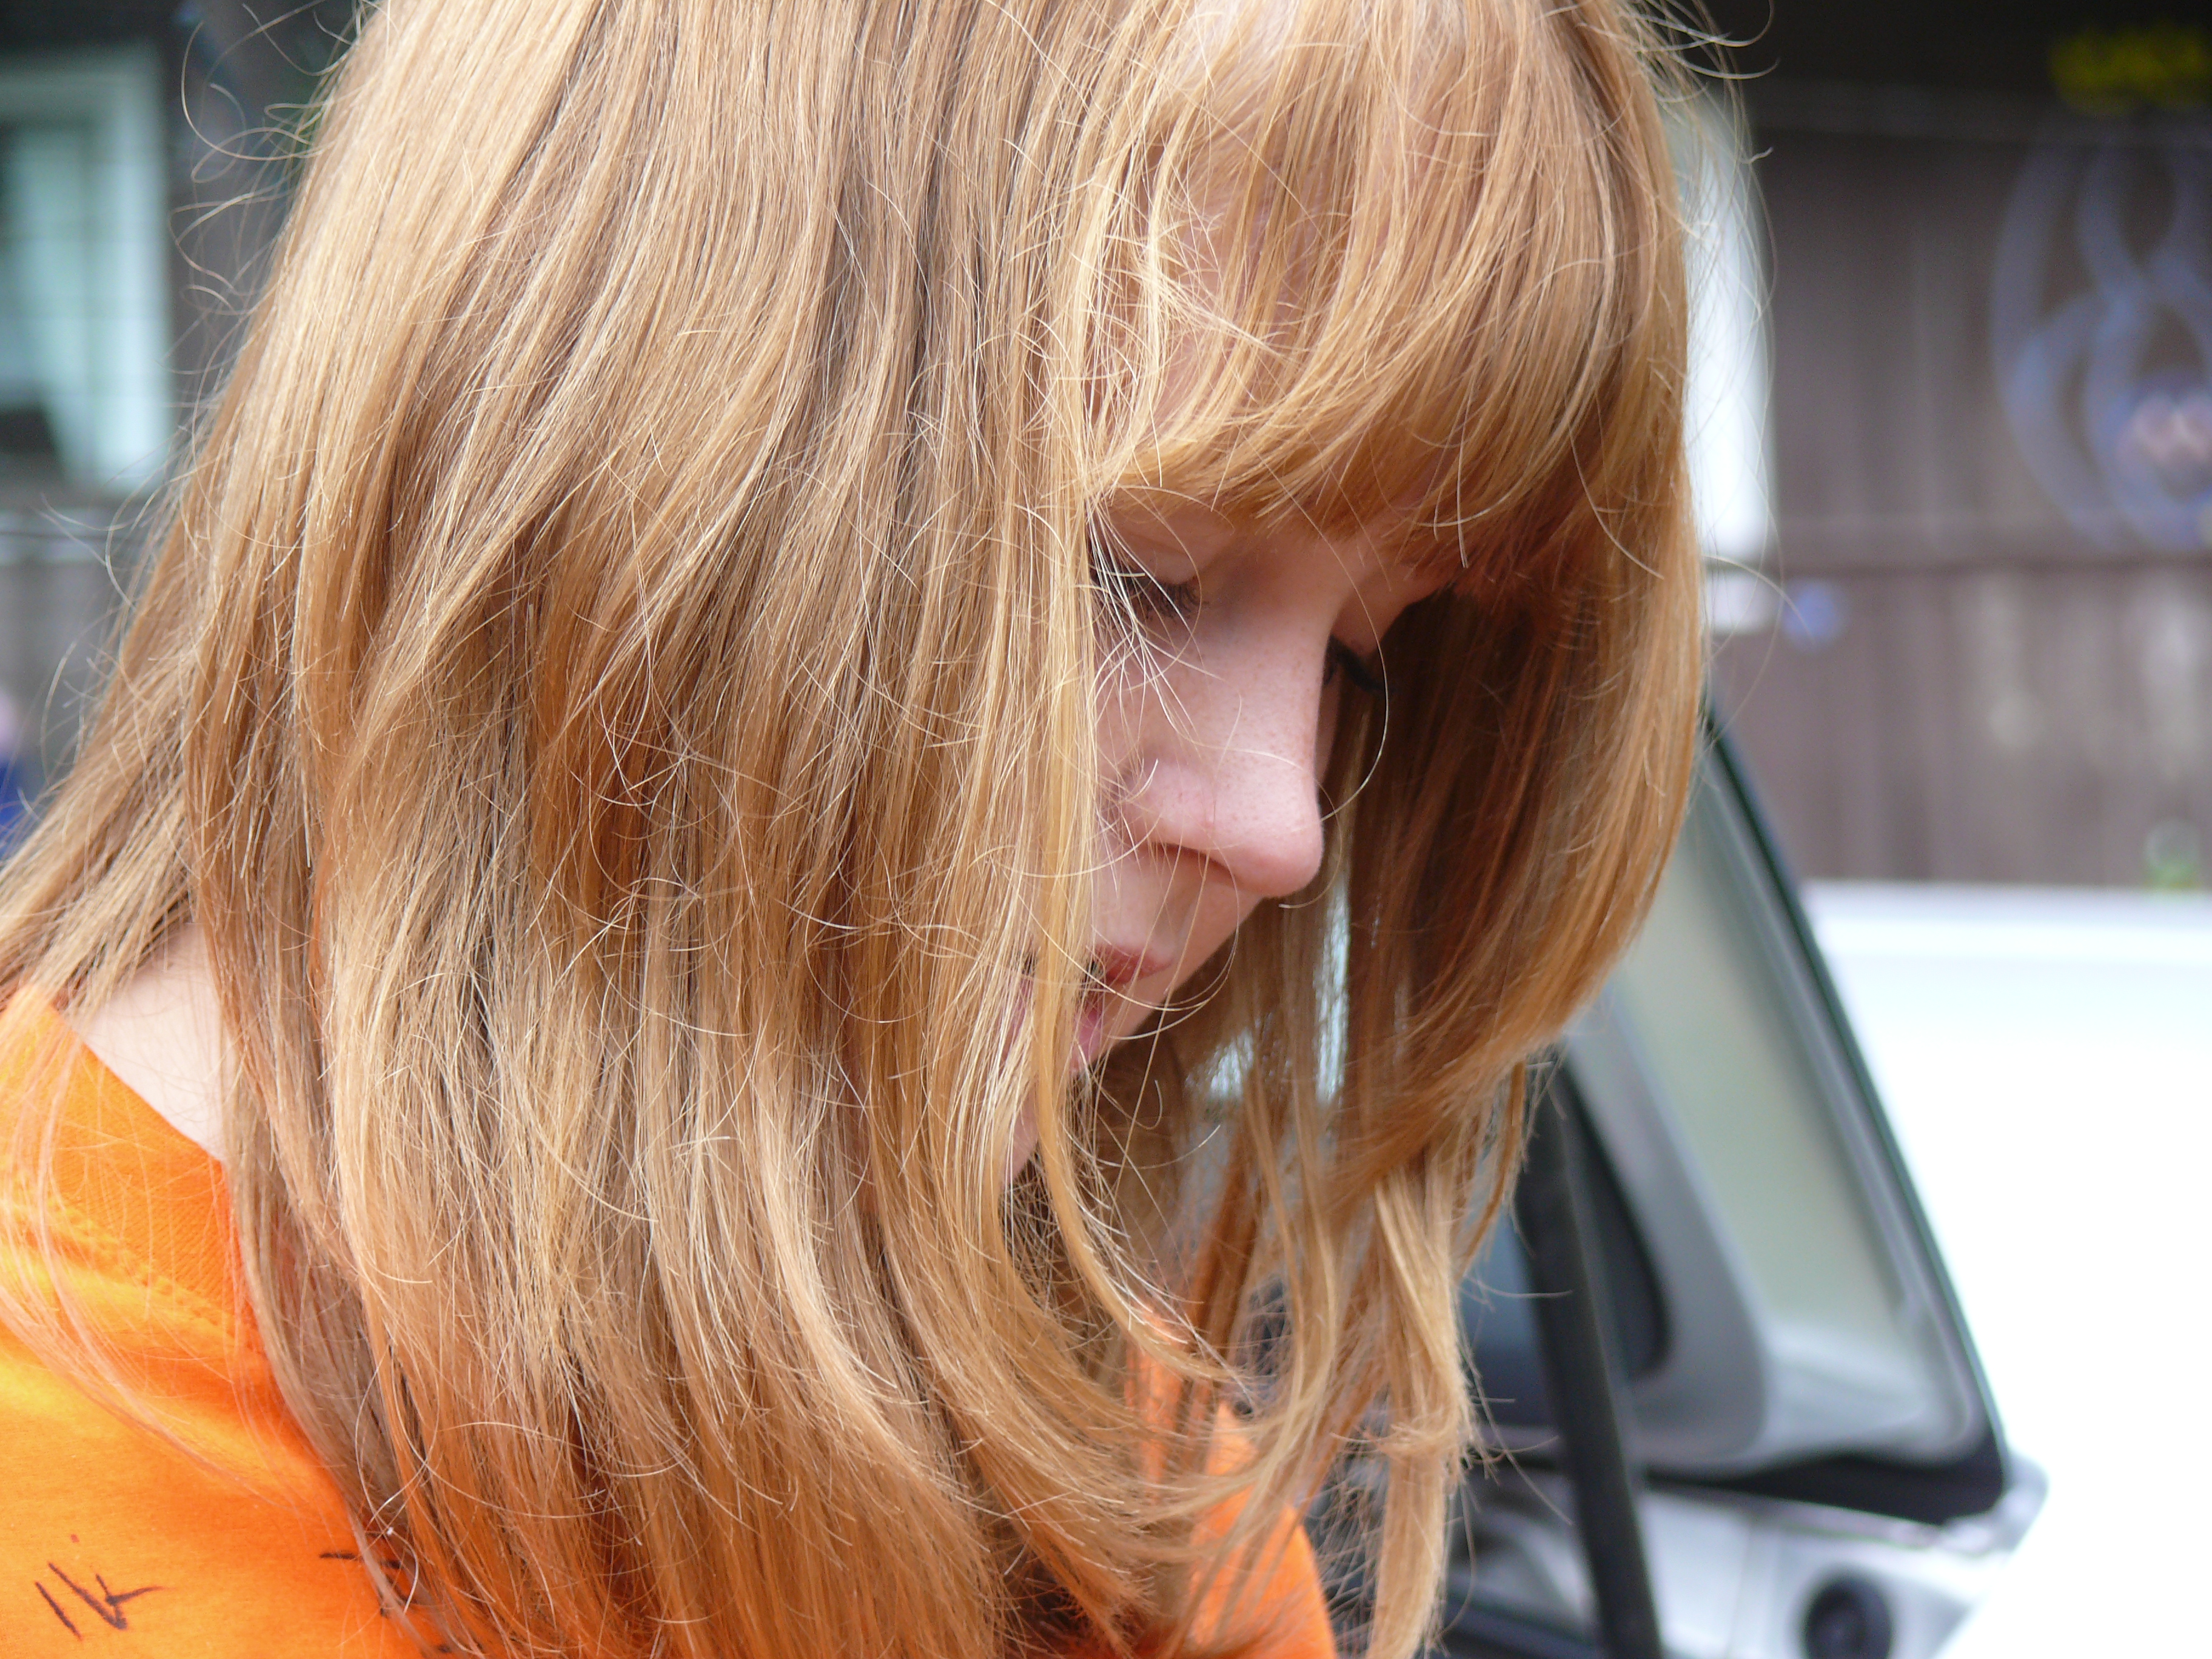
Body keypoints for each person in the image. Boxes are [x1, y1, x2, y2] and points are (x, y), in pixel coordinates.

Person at [0, 0, 1700, 1654]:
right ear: (603, 422)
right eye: (1139, 573)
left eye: (1362, 658)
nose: (1282, 827)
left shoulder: (1122, 1477)